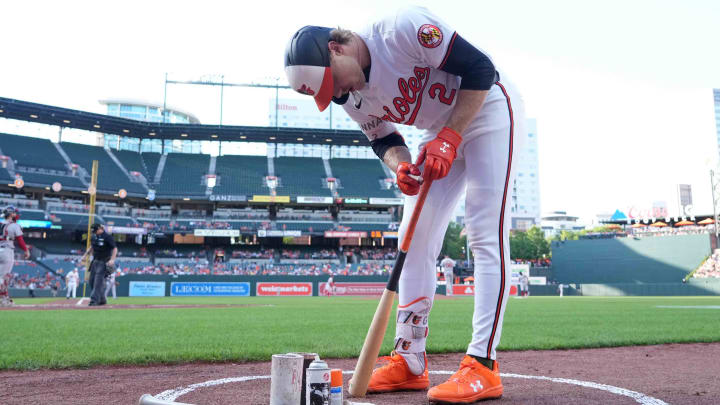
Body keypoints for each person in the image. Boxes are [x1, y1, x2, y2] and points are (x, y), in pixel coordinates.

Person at [285, 6, 525, 403]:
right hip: (437, 132)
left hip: (487, 111)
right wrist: (400, 167)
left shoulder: (400, 29)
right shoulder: (351, 96)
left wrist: (450, 136)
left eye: (333, 85)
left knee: (485, 233)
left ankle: (483, 364)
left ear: (336, 49)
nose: (340, 95)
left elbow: (482, 69)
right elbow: (383, 139)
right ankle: (410, 360)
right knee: (411, 241)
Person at [79, 224, 117, 307]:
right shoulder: (94, 237)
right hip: (95, 261)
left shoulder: (108, 237)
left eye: (95, 230)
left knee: (98, 282)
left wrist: (112, 260)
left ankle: (94, 301)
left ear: (100, 228)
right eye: (93, 231)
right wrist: (85, 255)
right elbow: (92, 247)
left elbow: (114, 248)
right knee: (91, 281)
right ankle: (102, 299)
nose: (94, 232)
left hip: (104, 261)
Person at [0, 206, 31, 307]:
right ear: (10, 214)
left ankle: (4, 297)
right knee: (4, 276)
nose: (16, 215)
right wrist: (26, 250)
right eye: (14, 213)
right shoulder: (14, 225)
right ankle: (3, 299)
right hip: (6, 251)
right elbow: (20, 241)